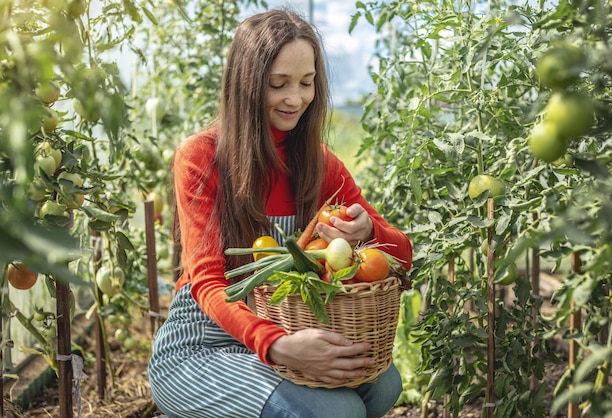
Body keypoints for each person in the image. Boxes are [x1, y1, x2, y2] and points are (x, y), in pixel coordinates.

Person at [148, 8, 413, 418]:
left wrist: (366, 231)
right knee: (337, 412)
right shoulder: (201, 158)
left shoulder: (319, 164)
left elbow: (402, 254)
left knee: (383, 387)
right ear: (247, 85)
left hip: (290, 334)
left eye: (306, 83)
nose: (296, 99)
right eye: (278, 84)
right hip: (203, 346)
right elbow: (207, 282)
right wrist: (277, 345)